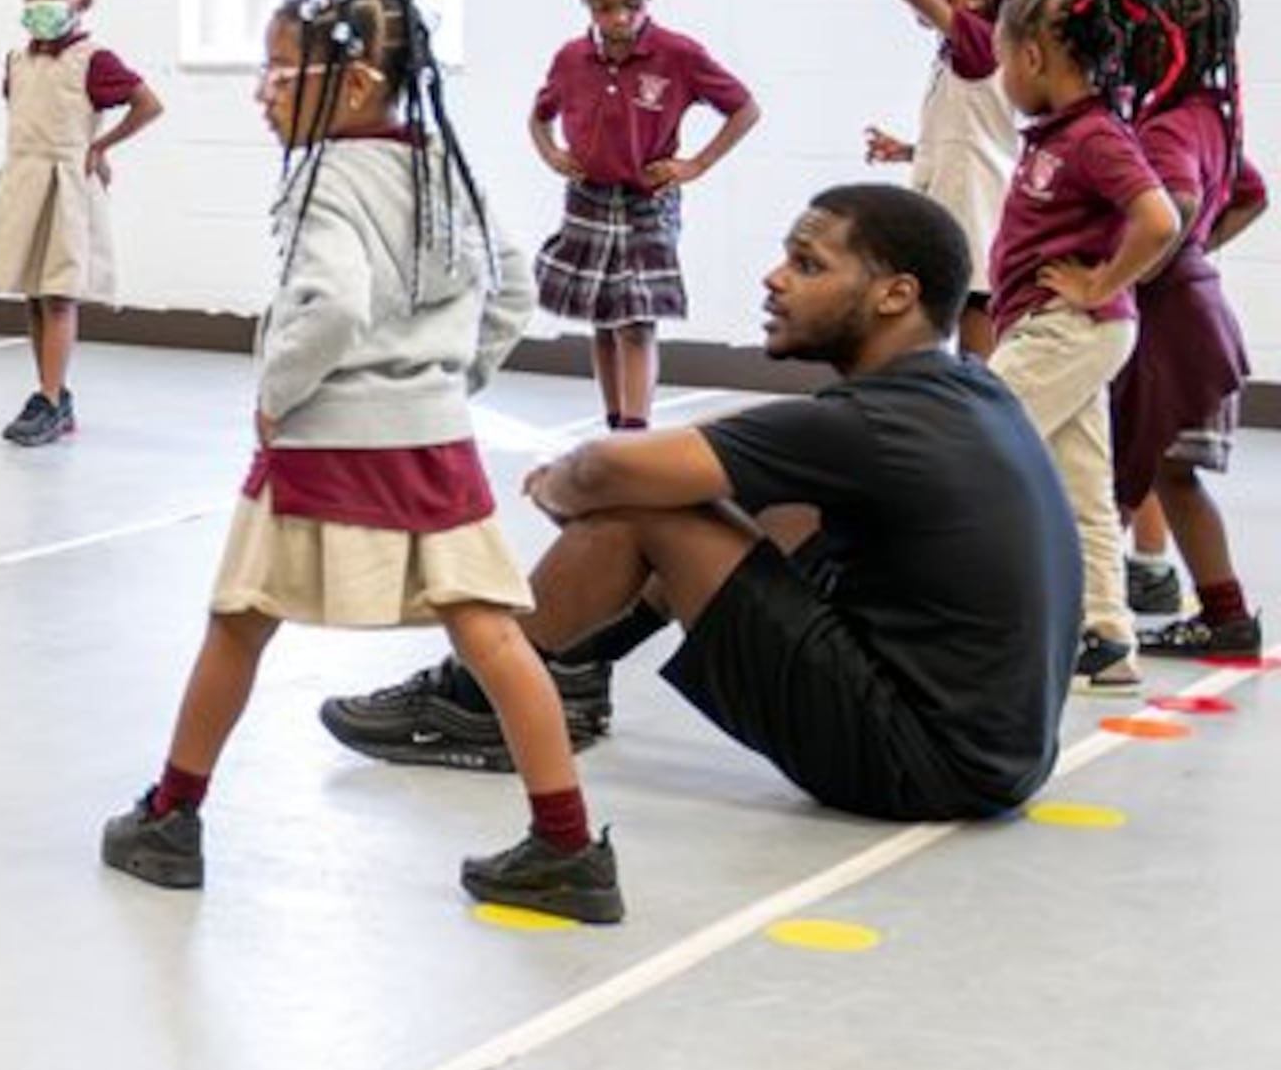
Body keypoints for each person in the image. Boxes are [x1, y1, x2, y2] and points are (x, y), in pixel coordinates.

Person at [99, 0, 616, 922]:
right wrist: (454, 380)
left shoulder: (319, 178)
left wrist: (275, 392)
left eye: (278, 69)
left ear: (350, 84)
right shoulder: (443, 165)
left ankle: (170, 819)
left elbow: (330, 304)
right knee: (494, 634)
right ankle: (567, 845)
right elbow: (510, 283)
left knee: (239, 619)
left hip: (324, 444)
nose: (261, 88)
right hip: (434, 444)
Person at [371, 187, 1082, 820]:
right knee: (754, 489)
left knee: (648, 505)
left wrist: (561, 484)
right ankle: (576, 672)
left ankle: (475, 699)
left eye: (808, 265)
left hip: (918, 766)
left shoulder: (867, 423)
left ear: (894, 294)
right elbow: (729, 460)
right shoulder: (966, 389)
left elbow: (601, 470)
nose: (775, 279)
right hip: (1001, 758)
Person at [983, 0, 1184, 694]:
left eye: (1005, 60)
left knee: (969, 437)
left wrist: (1102, 282)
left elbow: (1160, 218)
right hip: (1068, 328)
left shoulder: (1096, 134)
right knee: (1082, 488)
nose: (1003, 76)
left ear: (1035, 57)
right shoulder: (1064, 131)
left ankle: (964, 616)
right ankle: (1106, 636)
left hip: (1070, 327)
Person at [791, 0, 1033, 356]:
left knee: (975, 342)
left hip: (978, 221)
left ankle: (976, 425)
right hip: (957, 210)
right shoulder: (960, 53)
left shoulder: (979, 40)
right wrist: (909, 151)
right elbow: (973, 131)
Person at [530, 0, 759, 432]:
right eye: (604, 7)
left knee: (637, 319)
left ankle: (636, 430)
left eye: (631, 6)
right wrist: (551, 153)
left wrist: (696, 163)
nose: (618, 19)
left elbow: (744, 108)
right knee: (604, 320)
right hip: (588, 200)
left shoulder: (678, 54)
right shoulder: (570, 59)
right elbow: (538, 115)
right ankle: (614, 424)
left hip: (646, 202)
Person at [1109, 0, 1262, 661]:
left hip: (1175, 324)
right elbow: (1251, 193)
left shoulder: (1169, 124)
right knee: (1167, 473)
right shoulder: (1211, 115)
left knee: (1135, 471)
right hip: (1195, 309)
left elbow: (1176, 212)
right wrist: (1199, 248)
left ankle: (1088, 611)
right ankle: (1225, 615)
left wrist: (1107, 277)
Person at [0, 0, 163, 448]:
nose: (38, 3)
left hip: (66, 189)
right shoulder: (16, 61)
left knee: (60, 294)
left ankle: (52, 399)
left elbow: (148, 105)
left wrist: (100, 145)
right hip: (23, 183)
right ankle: (50, 391)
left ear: (82, 1)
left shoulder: (94, 60)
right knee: (35, 295)